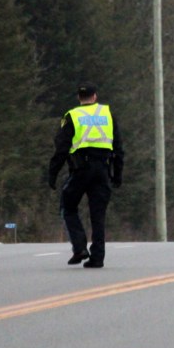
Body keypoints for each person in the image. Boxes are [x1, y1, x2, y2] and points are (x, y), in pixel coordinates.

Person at [49, 82, 124, 268]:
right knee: (98, 215)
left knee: (68, 207)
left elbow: (62, 148)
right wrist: (117, 174)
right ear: (95, 96)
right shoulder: (107, 114)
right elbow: (118, 148)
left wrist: (53, 173)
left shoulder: (73, 116)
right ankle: (97, 257)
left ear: (79, 98)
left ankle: (80, 247)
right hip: (103, 170)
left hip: (81, 170)